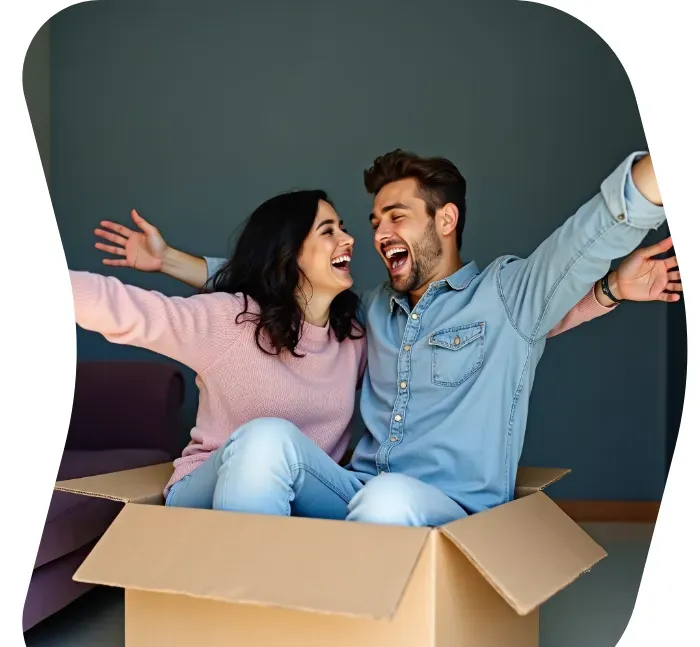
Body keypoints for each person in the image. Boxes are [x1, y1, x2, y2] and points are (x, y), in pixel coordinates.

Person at [91, 149, 679, 526]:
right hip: (355, 491)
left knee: (387, 502)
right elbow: (277, 281)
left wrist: (607, 281)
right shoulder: (365, 314)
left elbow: (594, 230)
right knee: (270, 440)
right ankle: (258, 614)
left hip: (449, 504)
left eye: (396, 216)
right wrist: (171, 261)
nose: (376, 232)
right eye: (372, 222)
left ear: (444, 221)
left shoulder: (507, 294)